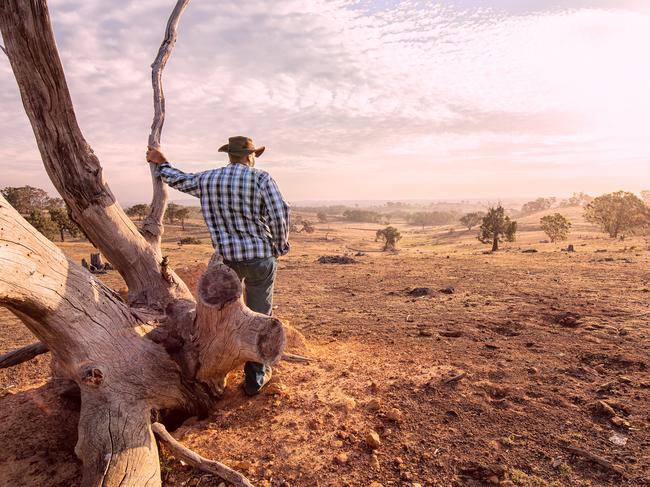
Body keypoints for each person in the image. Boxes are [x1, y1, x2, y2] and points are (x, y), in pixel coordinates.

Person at [146, 136, 290, 395]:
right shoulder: (261, 178)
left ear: (230, 156)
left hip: (227, 262)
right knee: (260, 312)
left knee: (226, 316)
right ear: (250, 156)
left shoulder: (208, 179)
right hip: (259, 257)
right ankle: (255, 378)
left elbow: (178, 179)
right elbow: (280, 214)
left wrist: (161, 162)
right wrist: (279, 247)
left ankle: (216, 367)